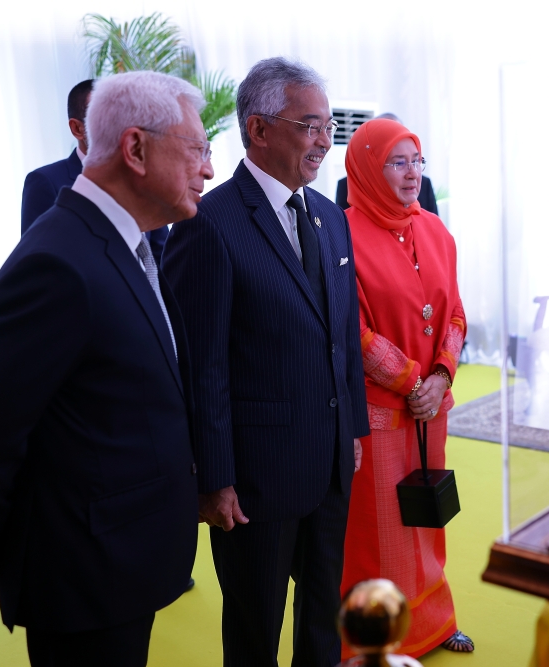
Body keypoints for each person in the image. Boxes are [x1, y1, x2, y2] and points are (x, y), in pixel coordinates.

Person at [0, 71, 211, 666]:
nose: (208, 170)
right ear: (135, 149)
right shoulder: (59, 262)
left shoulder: (121, 242)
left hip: (122, 560)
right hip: (84, 575)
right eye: (197, 150)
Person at [163, 57, 369, 667]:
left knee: (324, 621)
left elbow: (343, 333)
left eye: (328, 126)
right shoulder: (210, 221)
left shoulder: (330, 216)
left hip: (330, 461)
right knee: (255, 631)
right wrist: (215, 475)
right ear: (258, 129)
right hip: (255, 478)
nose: (323, 140)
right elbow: (203, 364)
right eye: (309, 125)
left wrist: (352, 426)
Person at [339, 118, 471, 657]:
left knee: (427, 519)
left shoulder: (436, 231)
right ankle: (377, 640)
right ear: (368, 168)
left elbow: (456, 314)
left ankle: (435, 625)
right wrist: (412, 380)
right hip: (379, 413)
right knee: (381, 532)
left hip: (429, 408)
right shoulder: (339, 231)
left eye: (417, 161)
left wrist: (440, 377)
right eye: (398, 161)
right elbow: (351, 328)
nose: (412, 173)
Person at [21, 79, 169, 264]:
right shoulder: (46, 182)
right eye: (105, 118)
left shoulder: (142, 177)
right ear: (77, 129)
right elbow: (38, 264)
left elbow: (162, 256)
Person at [336, 113, 439, 216]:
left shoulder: (430, 223)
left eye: (416, 161)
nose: (414, 174)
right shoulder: (345, 228)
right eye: (399, 163)